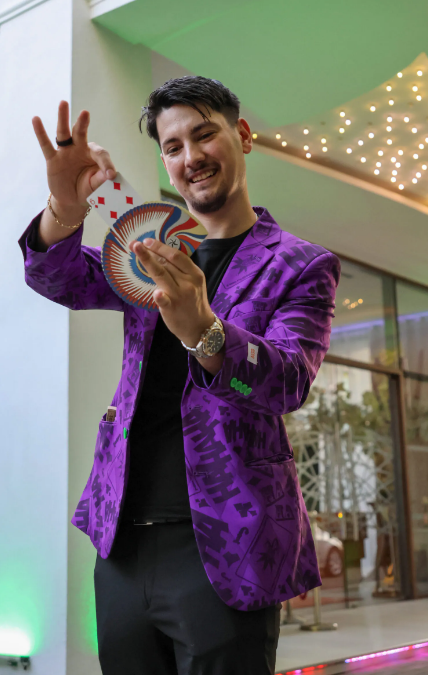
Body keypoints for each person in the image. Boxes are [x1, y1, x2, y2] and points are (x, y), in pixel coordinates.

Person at [19, 76, 340, 675]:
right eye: (173, 147)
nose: (190, 157)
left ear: (242, 136)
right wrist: (65, 208)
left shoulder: (299, 265)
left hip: (227, 547)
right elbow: (58, 279)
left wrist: (205, 331)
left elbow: (288, 381)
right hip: (122, 541)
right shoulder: (152, 249)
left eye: (204, 135)